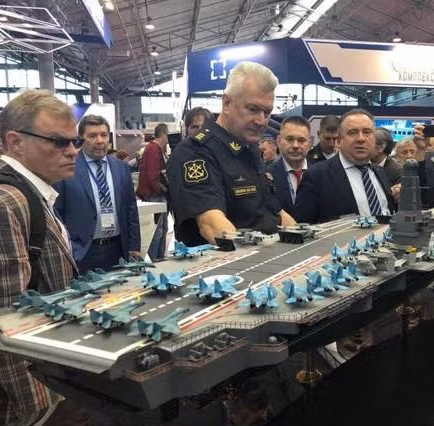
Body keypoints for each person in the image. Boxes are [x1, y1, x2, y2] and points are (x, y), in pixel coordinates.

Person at [0, 90, 94, 426]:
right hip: (25, 412)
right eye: (58, 142)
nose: (73, 151)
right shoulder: (4, 203)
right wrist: (44, 415)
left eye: (75, 141)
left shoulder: (32, 195)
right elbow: (1, 325)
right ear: (16, 142)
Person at [167, 61, 296, 245]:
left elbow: (278, 213)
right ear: (226, 103)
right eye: (253, 109)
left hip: (270, 250)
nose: (261, 121)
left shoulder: (250, 150)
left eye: (267, 112)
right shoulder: (194, 152)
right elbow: (212, 225)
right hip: (234, 259)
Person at [54, 115, 141, 273]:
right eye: (92, 135)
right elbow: (57, 213)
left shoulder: (121, 167)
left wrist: (134, 246)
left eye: (104, 135)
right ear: (80, 139)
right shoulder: (67, 167)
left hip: (118, 249)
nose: (99, 141)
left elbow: (131, 208)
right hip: (83, 252)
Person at [294, 109, 395, 224]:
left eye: (367, 132)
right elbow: (302, 226)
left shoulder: (381, 172)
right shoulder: (316, 176)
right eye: (353, 132)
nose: (361, 138)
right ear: (339, 141)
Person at [136, 123, 169, 260]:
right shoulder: (153, 149)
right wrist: (162, 190)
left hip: (156, 194)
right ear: (164, 134)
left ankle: (159, 256)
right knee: (157, 229)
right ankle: (154, 258)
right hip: (155, 195)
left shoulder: (155, 149)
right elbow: (152, 176)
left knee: (162, 227)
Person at [266, 116, 310, 216]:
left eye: (301, 140)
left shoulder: (322, 174)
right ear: (278, 141)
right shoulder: (265, 176)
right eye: (290, 139)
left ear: (309, 143)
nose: (295, 146)